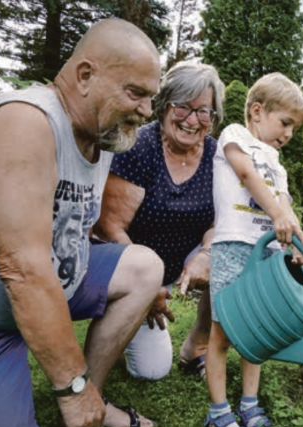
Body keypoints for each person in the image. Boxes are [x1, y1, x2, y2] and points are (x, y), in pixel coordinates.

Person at [0, 18, 171, 427]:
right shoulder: (27, 122)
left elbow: (75, 222)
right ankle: (77, 394)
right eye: (136, 93)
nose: (146, 111)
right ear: (86, 76)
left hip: (49, 287)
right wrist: (71, 386)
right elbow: (23, 270)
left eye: (151, 97)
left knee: (145, 268)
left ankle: (96, 400)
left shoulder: (102, 132)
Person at [93, 60, 224, 381]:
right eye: (183, 108)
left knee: (227, 255)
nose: (193, 120)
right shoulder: (139, 146)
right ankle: (122, 312)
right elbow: (109, 226)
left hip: (181, 261)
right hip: (132, 269)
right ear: (164, 106)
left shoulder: (216, 155)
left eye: (204, 111)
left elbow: (219, 223)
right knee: (151, 371)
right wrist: (148, 287)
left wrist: (207, 255)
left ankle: (198, 345)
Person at [204, 72, 303, 427]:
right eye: (285, 123)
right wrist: (279, 216)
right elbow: (247, 174)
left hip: (266, 250)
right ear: (257, 111)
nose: (289, 133)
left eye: (294, 127)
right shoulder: (236, 135)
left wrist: (296, 242)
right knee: (222, 333)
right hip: (233, 244)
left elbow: (284, 206)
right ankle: (218, 413)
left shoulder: (277, 162)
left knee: (256, 331)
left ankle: (249, 403)